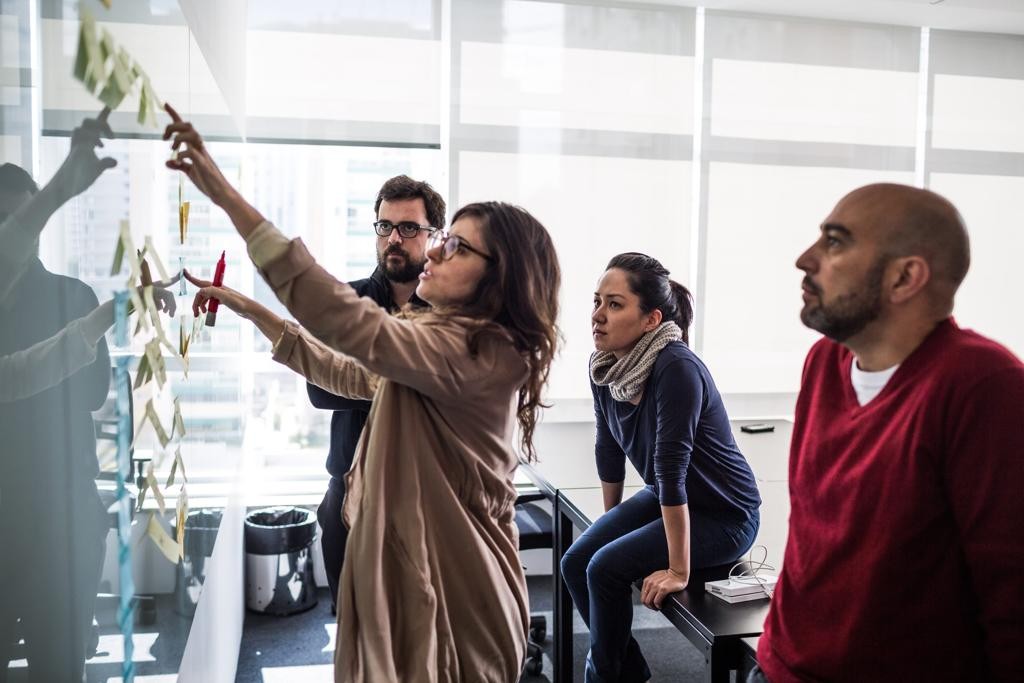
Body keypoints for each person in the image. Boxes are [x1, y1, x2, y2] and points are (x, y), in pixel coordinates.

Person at [164, 102, 561, 682]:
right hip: (413, 568)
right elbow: (348, 373)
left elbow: (352, 327)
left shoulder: (481, 352)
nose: (433, 249)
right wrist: (250, 309)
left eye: (454, 245)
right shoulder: (440, 338)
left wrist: (225, 194)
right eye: (442, 239)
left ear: (497, 276)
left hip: (457, 590)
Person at [754, 183, 1024, 682]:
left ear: (904, 278)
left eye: (834, 242)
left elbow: (1012, 591)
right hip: (780, 665)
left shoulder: (982, 384)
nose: (804, 259)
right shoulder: (825, 361)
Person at [189, 175, 441, 608]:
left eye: (408, 228)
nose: (393, 238)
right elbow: (320, 390)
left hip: (426, 494)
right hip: (347, 486)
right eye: (385, 227)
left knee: (420, 628)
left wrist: (368, 374)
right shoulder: (349, 300)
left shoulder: (449, 312)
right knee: (352, 618)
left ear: (434, 235)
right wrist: (405, 385)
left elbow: (346, 377)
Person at [562, 252, 761, 683]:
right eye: (596, 301)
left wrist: (678, 570)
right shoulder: (606, 367)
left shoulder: (676, 367)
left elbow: (671, 470)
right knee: (578, 560)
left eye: (614, 305)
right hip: (670, 498)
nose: (597, 315)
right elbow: (608, 447)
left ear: (651, 319)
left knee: (604, 567)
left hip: (725, 515)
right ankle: (626, 670)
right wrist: (610, 521)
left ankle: (606, 676)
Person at [0, 115, 115, 682]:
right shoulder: (74, 298)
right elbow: (84, 391)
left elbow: (92, 391)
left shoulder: (77, 297)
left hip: (62, 512)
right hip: (36, 509)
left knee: (60, 664)